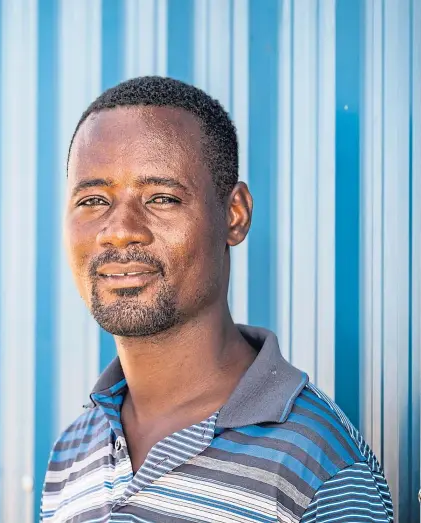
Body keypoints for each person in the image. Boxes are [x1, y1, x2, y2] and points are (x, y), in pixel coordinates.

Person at [40, 76, 393, 523]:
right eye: (93, 200)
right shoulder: (71, 455)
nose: (120, 229)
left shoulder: (318, 467)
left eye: (161, 198)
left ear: (234, 215)